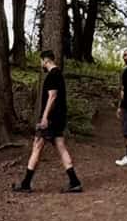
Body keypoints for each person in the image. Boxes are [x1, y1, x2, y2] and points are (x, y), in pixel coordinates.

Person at [14, 50, 82, 193]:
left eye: (41, 61)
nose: (41, 64)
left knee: (37, 146)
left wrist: (44, 117)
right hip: (59, 118)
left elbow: (52, 96)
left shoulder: (52, 75)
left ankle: (26, 183)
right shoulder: (59, 75)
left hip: (50, 119)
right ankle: (75, 182)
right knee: (61, 146)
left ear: (45, 60)